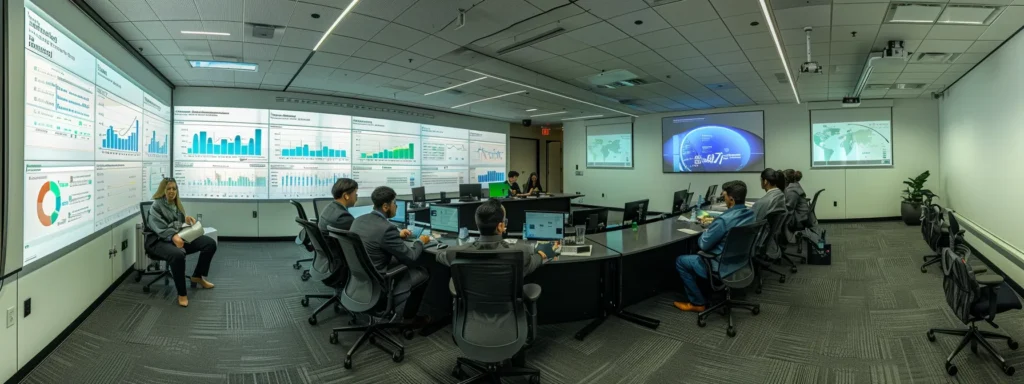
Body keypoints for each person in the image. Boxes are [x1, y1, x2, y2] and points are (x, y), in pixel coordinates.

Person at [348, 186, 433, 321]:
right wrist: (420, 241)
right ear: (386, 206)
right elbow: (411, 257)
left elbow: (375, 237)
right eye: (395, 203)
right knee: (423, 271)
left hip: (360, 279)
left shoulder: (358, 220)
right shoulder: (387, 228)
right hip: (379, 284)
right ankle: (410, 316)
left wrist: (397, 236)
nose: (396, 207)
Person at [673, 181, 755, 313]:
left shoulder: (723, 221)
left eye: (725, 196)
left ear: (731, 199)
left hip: (719, 265)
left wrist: (707, 231)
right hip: (741, 262)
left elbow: (703, 245)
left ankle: (697, 302)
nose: (723, 198)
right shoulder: (751, 214)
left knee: (681, 261)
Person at [145, 178, 218, 308]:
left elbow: (177, 222)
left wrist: (186, 219)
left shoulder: (176, 204)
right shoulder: (156, 205)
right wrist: (173, 236)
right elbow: (160, 228)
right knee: (178, 255)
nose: (172, 191)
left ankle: (197, 276)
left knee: (210, 244)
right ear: (163, 190)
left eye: (174, 188)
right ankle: (182, 294)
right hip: (158, 241)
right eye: (168, 189)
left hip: (176, 235)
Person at [436, 198, 554, 273]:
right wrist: (541, 254)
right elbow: (536, 260)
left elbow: (440, 255)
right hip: (507, 310)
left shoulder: (454, 253)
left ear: (478, 224)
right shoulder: (520, 253)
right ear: (500, 227)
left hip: (471, 309)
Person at [312, 178, 358, 283]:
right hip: (339, 265)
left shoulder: (330, 207)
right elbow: (362, 236)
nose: (356, 197)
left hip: (328, 259)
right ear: (346, 195)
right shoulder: (342, 217)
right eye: (355, 193)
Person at [783, 169, 813, 241]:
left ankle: (784, 242)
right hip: (802, 216)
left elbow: (789, 209)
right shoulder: (795, 186)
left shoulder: (792, 191)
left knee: (776, 220)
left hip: (799, 219)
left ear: (786, 180)